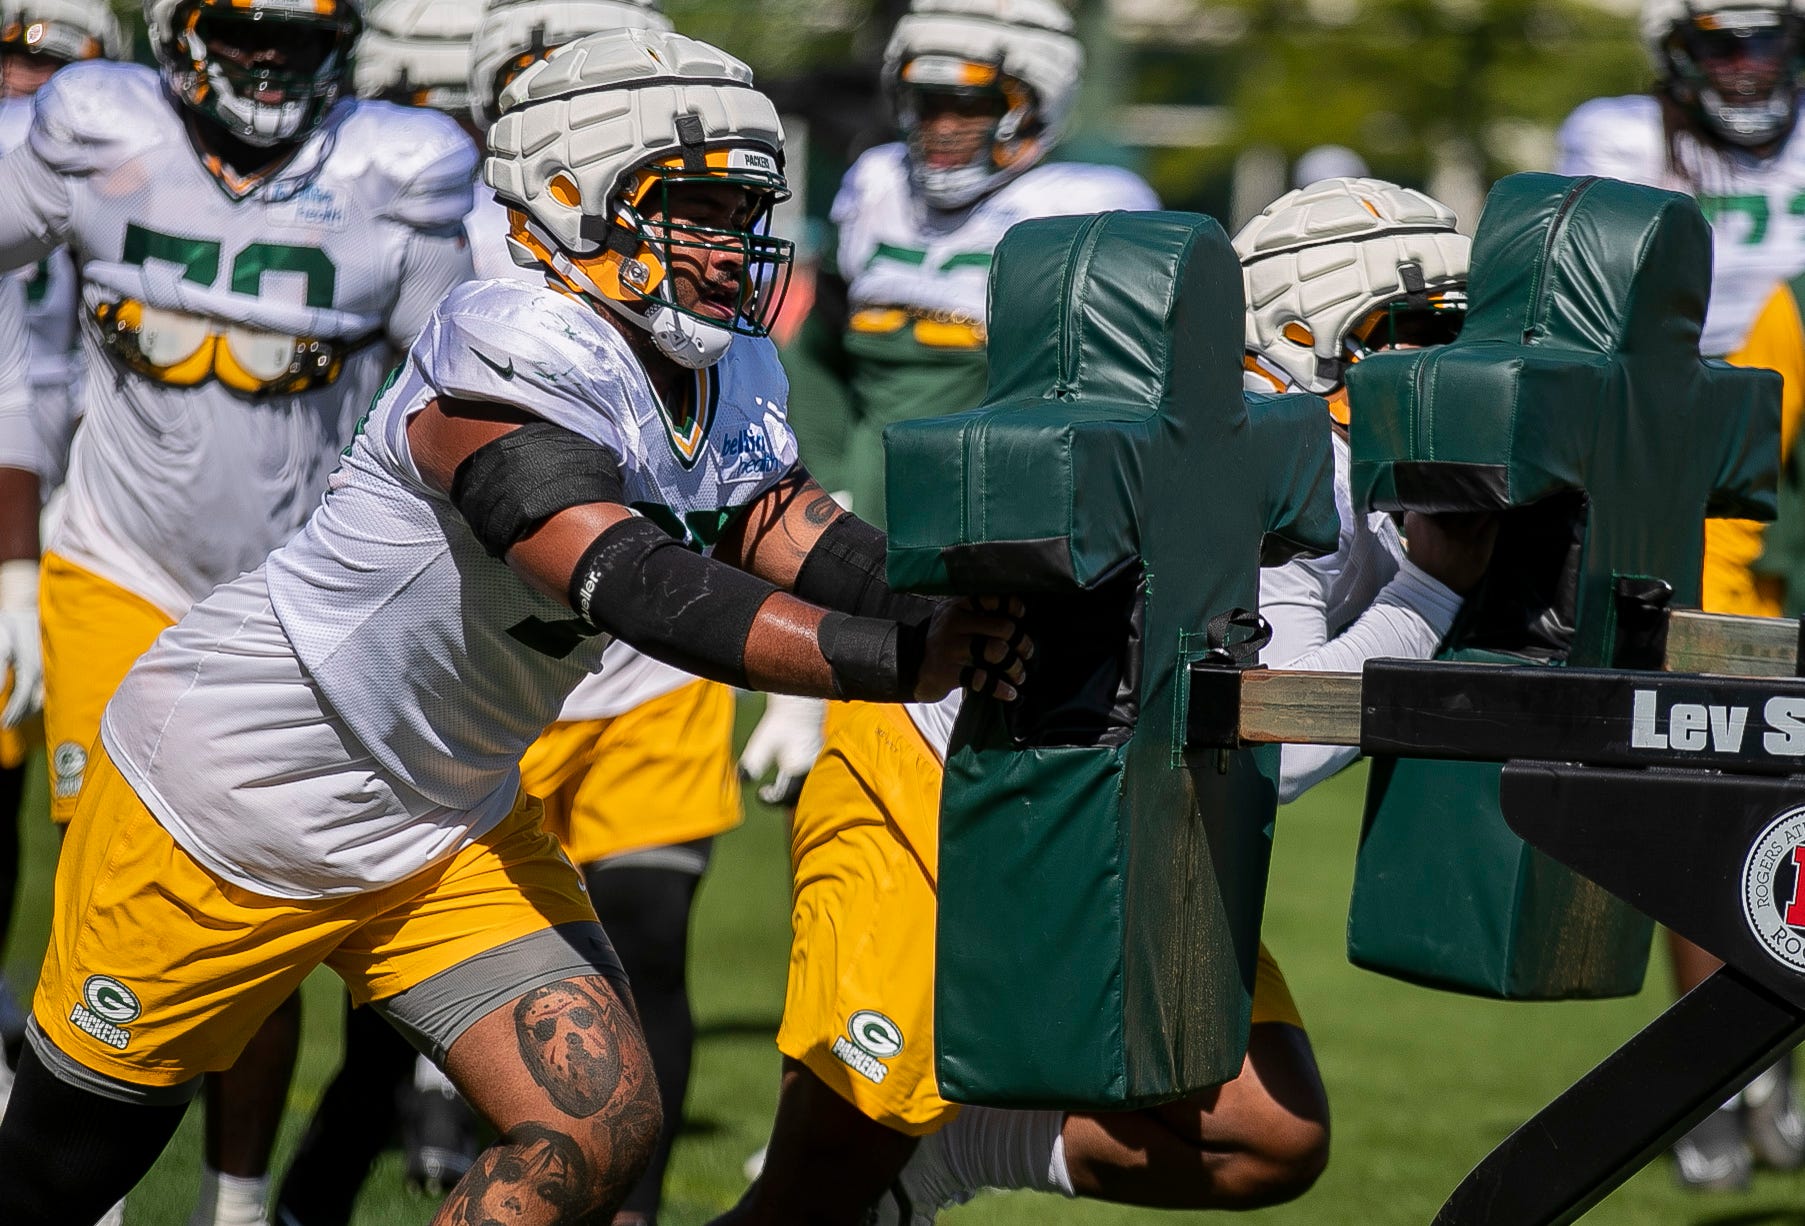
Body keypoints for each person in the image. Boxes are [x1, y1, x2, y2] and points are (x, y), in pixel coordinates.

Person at [0, 26, 1024, 1226]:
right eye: (692, 210)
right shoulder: (507, 335)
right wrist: (898, 660)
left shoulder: (724, 363)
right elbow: (626, 578)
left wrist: (965, 600)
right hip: (242, 789)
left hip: (443, 811)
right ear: (572, 199)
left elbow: (787, 523)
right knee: (58, 1175)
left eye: (742, 212)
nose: (729, 247)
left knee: (596, 1125)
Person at [723, 172, 1491, 1224]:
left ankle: (931, 1166)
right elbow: (1271, 740)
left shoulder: (1363, 462)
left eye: (1454, 331)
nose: (1443, 364)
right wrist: (1431, 591)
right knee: (805, 1201)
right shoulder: (1269, 454)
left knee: (1264, 1136)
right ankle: (880, 1171)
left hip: (1122, 817)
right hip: (942, 795)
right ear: (1305, 332)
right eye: (1410, 331)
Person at [0, 0, 480, 1219]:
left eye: (298, 36)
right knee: (103, 879)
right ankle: (89, 1199)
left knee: (258, 887)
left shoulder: (393, 171)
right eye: (244, 29)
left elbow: (468, 378)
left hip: (290, 598)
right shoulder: (103, 132)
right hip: (114, 566)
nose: (270, 57)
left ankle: (237, 1203)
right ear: (180, 31)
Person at [280, 5, 741, 1222]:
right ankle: (318, 1186)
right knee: (406, 987)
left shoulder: (697, 253)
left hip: (646, 652)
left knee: (645, 934)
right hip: (490, 646)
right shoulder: (471, 252)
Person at [1556, 0, 1805, 1187]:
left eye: (1763, 40)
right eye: (1718, 43)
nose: (1744, 67)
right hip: (1690, 475)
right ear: (1673, 49)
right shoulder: (1613, 136)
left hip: (1796, 478)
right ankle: (1714, 1073)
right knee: (1707, 775)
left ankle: (1767, 1059)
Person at [0, 0, 121, 1108]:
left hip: (98, 510)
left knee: (101, 810)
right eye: (10, 54)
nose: (25, 80)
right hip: (30, 508)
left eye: (52, 59)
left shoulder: (129, 168)